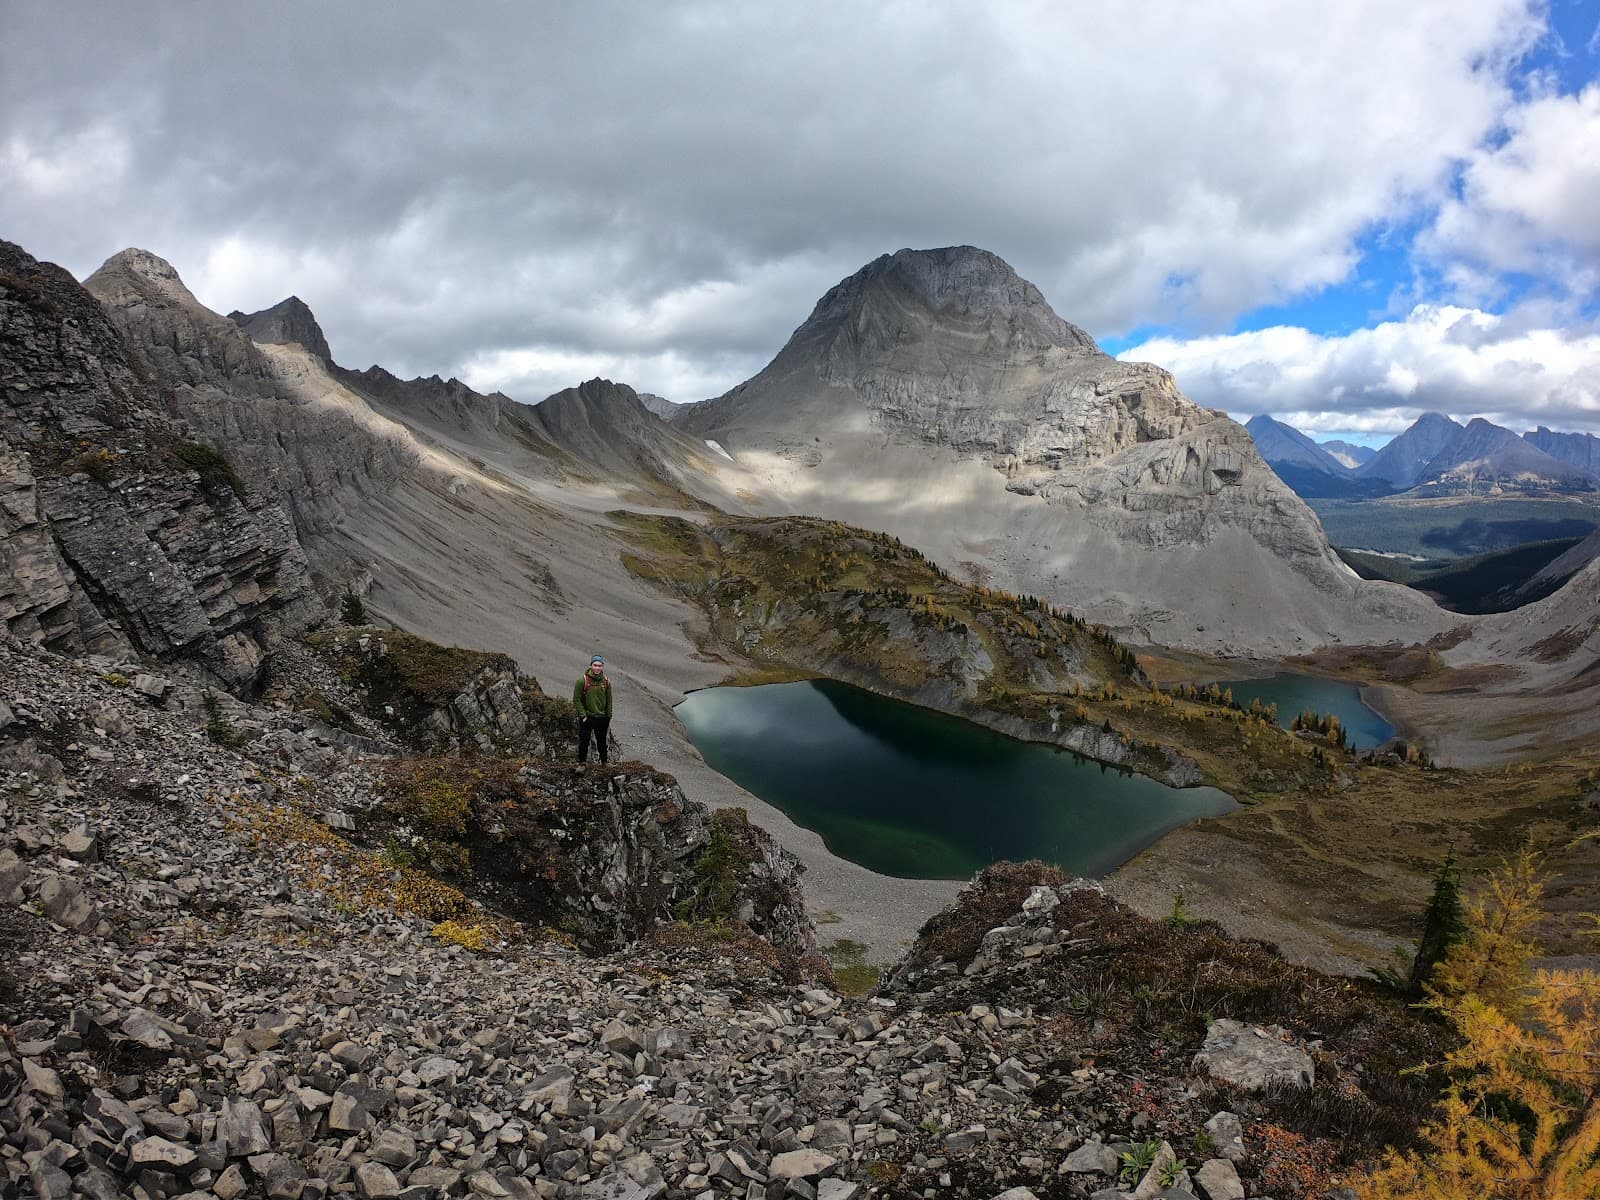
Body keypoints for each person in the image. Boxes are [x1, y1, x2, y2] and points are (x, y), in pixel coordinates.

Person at [573, 653, 613, 765]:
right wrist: (583, 715)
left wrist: (608, 716)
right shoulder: (582, 681)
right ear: (591, 665)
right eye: (595, 665)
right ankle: (582, 763)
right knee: (584, 741)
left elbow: (609, 700)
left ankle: (605, 762)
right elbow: (576, 699)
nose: (597, 668)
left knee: (602, 741)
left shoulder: (606, 681)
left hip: (602, 717)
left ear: (602, 666)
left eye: (599, 665)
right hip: (588, 717)